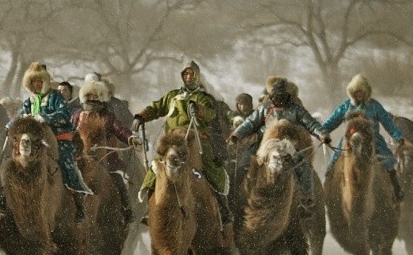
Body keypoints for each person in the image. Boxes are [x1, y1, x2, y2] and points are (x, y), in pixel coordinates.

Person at [131, 60, 231, 224]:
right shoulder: (173, 96)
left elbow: (210, 113)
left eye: (192, 74)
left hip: (195, 137)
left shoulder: (203, 97)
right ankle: (150, 207)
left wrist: (198, 110)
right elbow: (157, 107)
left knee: (211, 166)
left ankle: (222, 207)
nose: (189, 77)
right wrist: (141, 116)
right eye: (186, 74)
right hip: (172, 138)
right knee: (157, 165)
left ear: (197, 76)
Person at [229, 77, 328, 207]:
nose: (279, 98)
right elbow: (251, 122)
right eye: (276, 95)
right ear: (272, 95)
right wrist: (237, 134)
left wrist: (321, 134)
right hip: (265, 144)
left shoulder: (295, 109)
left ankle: (306, 197)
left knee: (302, 165)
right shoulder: (265, 108)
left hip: (289, 144)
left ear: (286, 95)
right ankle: (237, 197)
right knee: (244, 163)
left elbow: (310, 123)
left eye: (281, 95)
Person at [15, 62, 90, 220]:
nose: (36, 84)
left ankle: (78, 202)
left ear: (45, 82)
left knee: (66, 163)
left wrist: (47, 118)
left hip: (57, 138)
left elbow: (64, 114)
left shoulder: (55, 97)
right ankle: (7, 197)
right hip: (34, 141)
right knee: (14, 161)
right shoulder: (29, 100)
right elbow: (22, 113)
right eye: (33, 81)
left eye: (39, 81)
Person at [320, 74, 405, 202]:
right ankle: (327, 189)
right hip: (349, 140)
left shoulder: (375, 106)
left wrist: (398, 136)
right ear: (352, 92)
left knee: (388, 161)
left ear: (367, 92)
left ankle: (396, 189)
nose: (359, 94)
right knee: (334, 161)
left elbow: (388, 123)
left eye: (362, 91)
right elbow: (332, 121)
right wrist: (322, 132)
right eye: (357, 91)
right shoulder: (346, 106)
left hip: (373, 139)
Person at [73, 78, 138, 223]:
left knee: (118, 180)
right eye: (89, 95)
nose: (92, 98)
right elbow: (69, 131)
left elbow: (120, 130)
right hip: (80, 158)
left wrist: (130, 138)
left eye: (95, 95)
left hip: (106, 159)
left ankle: (127, 209)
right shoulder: (78, 115)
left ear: (101, 97)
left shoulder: (108, 116)